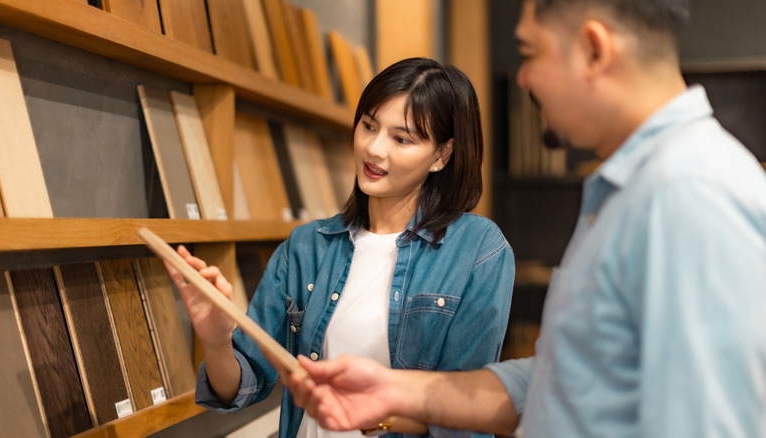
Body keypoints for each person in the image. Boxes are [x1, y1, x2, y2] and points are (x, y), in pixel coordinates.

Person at [283, 0, 766, 437]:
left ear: (594, 49)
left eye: (531, 53)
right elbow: (571, 378)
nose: (523, 78)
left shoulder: (688, 194)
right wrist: (398, 392)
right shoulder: (636, 188)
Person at [166, 57, 515, 438]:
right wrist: (216, 340)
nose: (374, 149)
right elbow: (241, 386)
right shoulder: (306, 247)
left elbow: (467, 416)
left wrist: (371, 414)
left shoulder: (478, 251)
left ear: (441, 156)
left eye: (401, 139)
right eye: (368, 126)